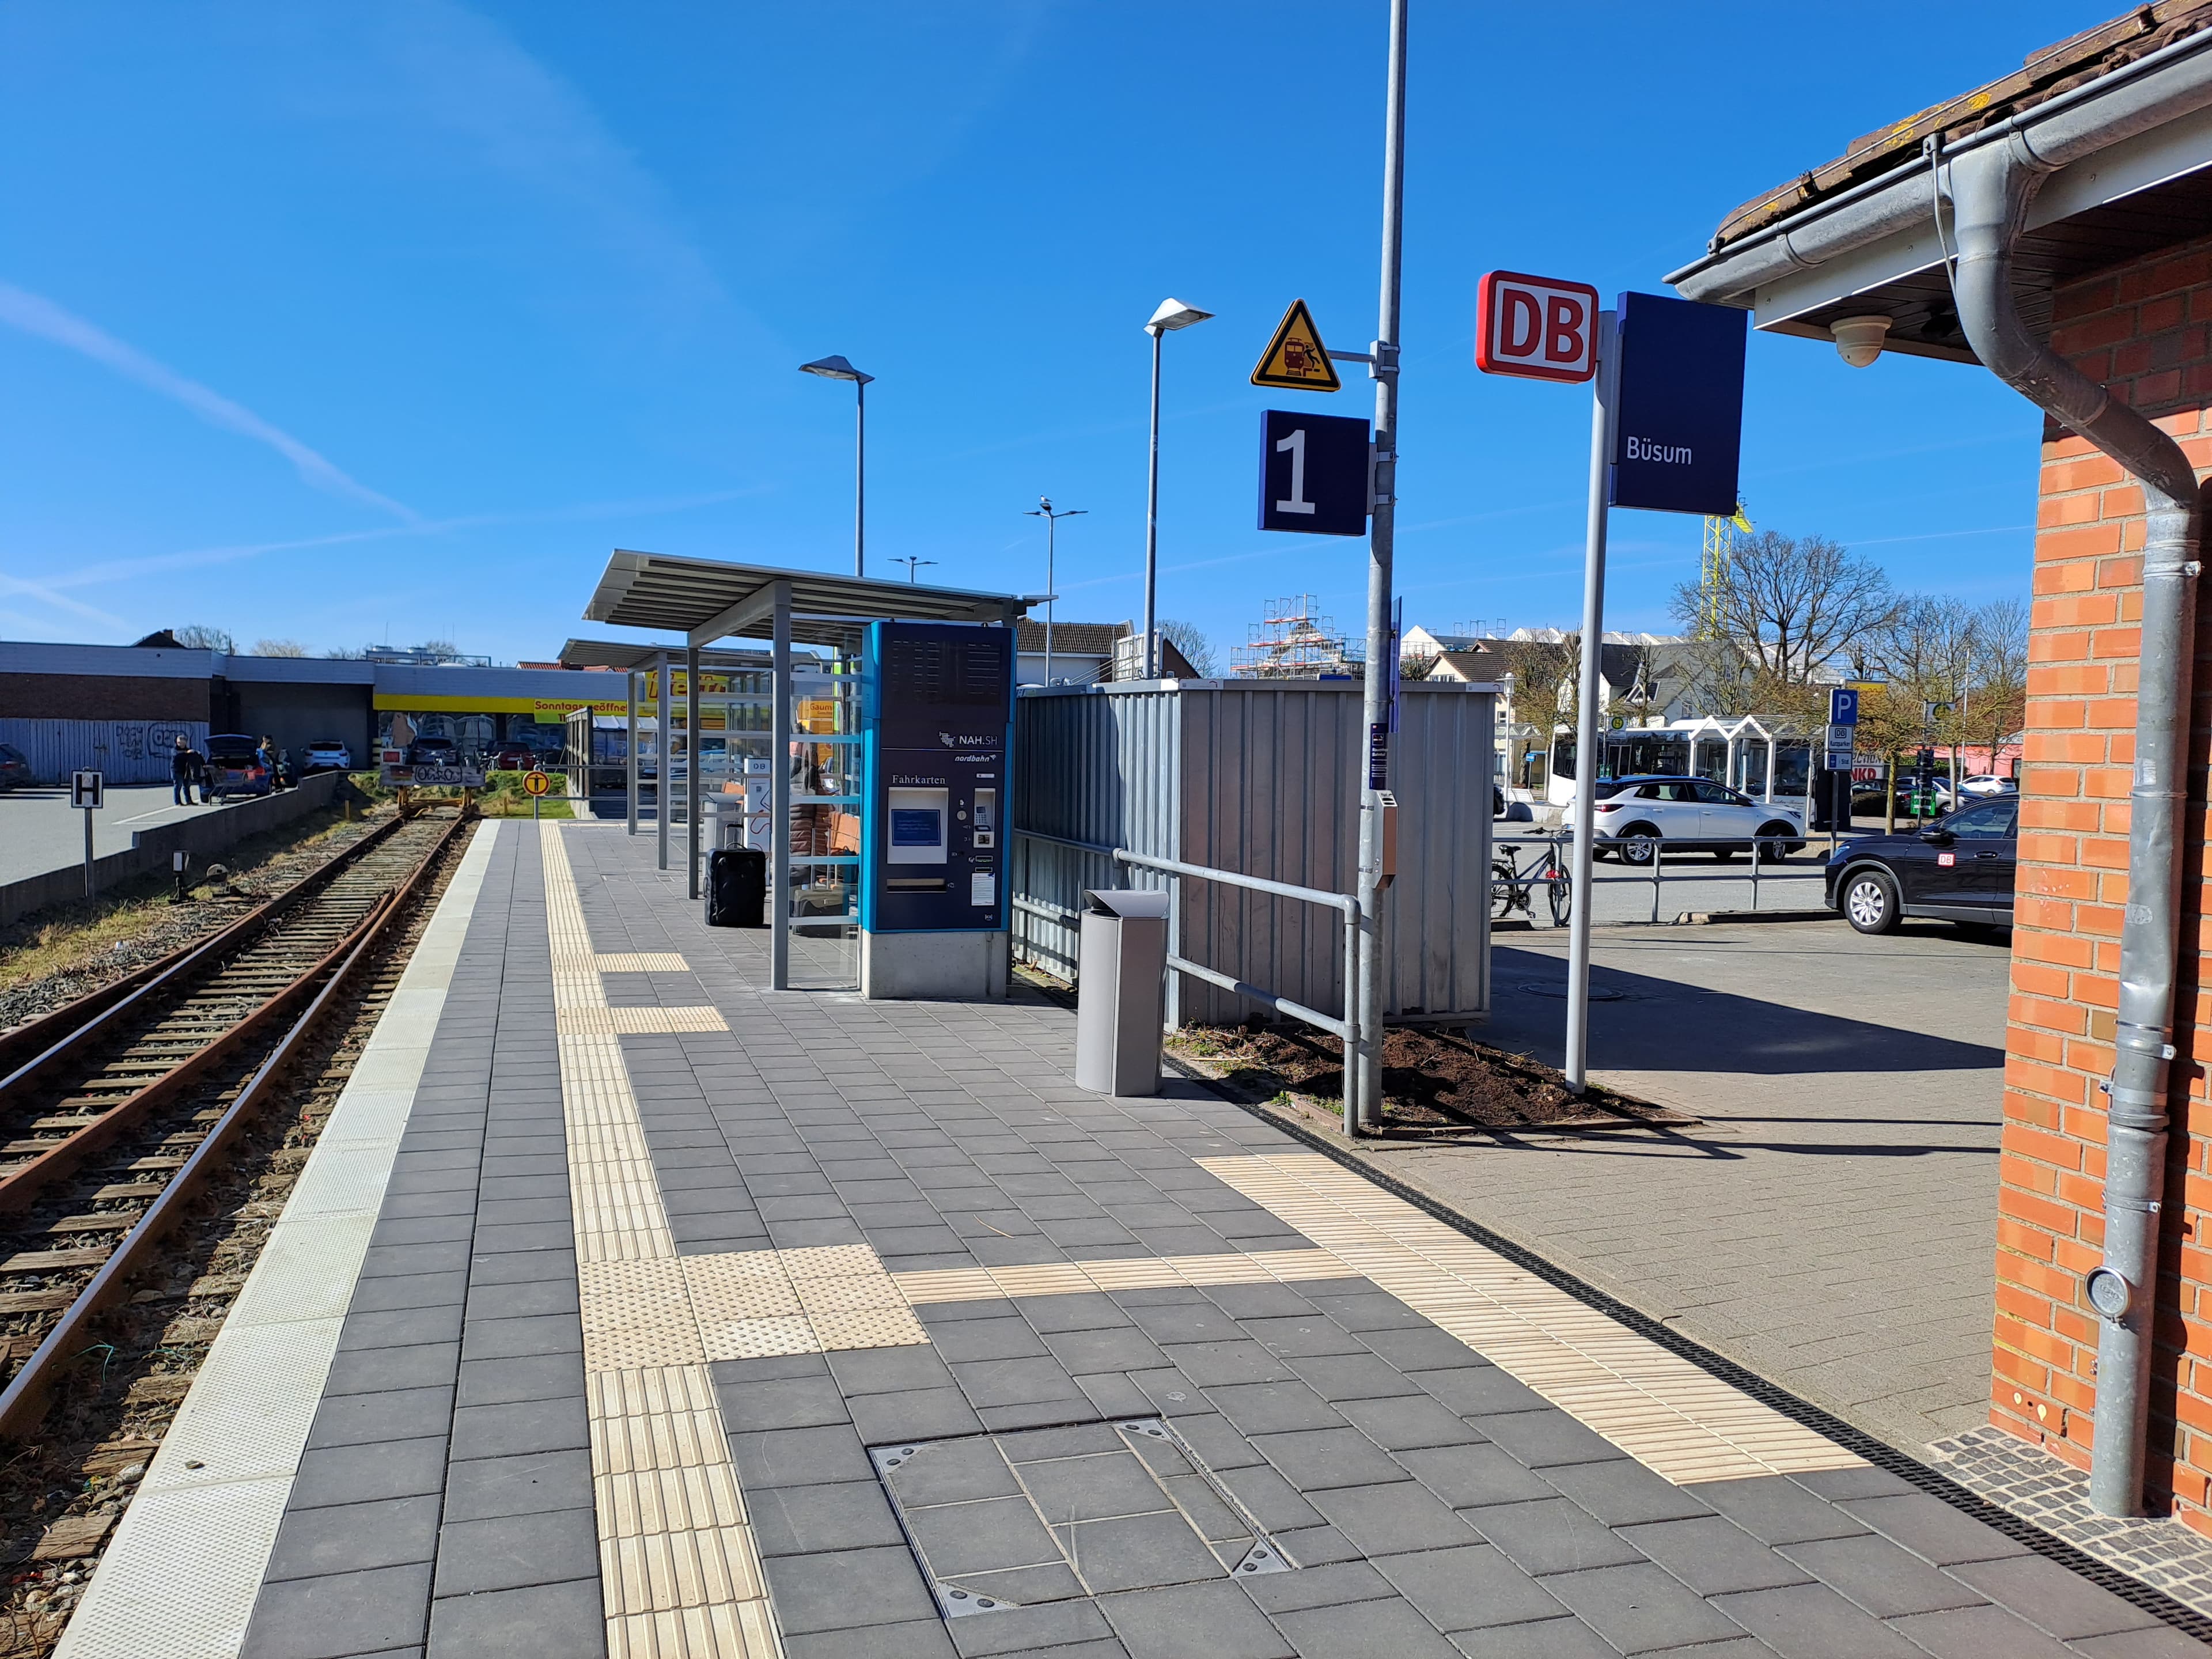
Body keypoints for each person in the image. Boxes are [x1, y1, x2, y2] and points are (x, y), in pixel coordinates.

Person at [171, 734, 196, 806]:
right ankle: (177, 802)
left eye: (181, 742)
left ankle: (189, 801)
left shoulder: (187, 750)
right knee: (178, 786)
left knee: (187, 786)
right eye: (178, 742)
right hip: (176, 770)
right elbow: (177, 755)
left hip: (185, 770)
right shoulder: (174, 750)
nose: (180, 744)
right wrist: (187, 753)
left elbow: (190, 755)